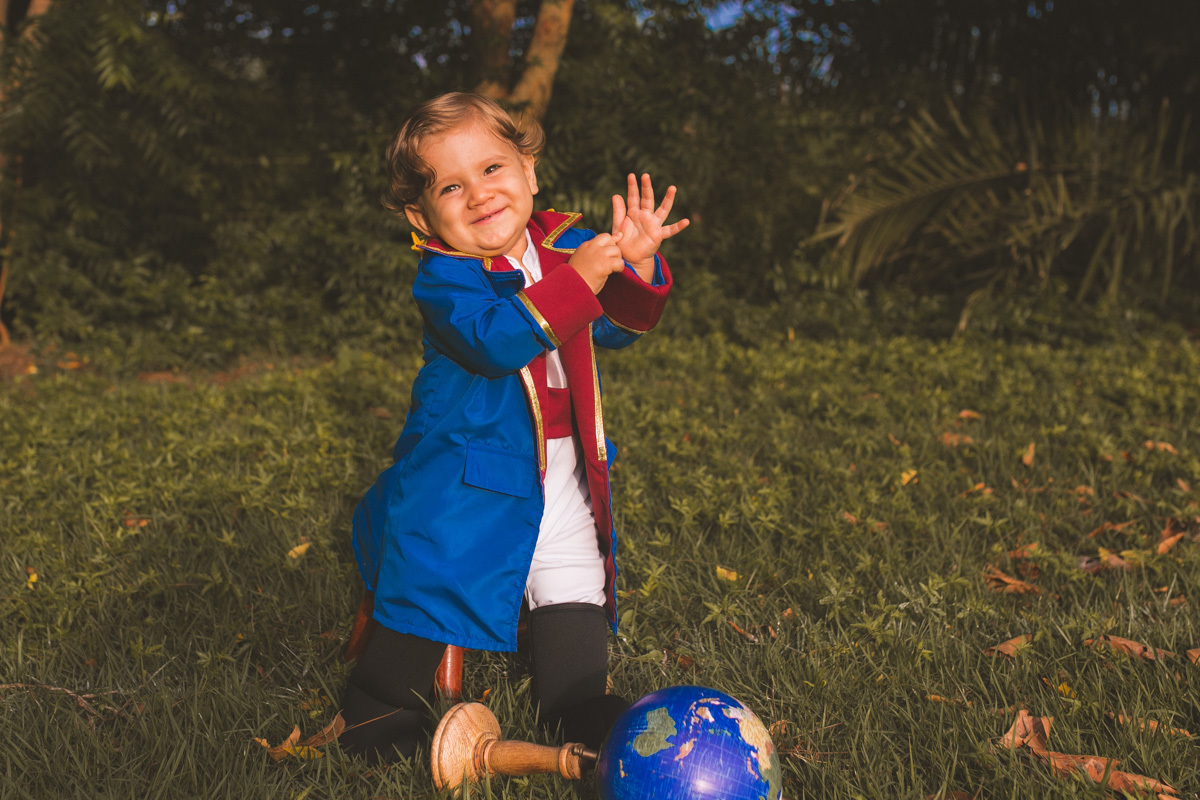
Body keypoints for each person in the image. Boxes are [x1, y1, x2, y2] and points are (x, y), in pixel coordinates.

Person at [339, 92, 689, 764]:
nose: (478, 194)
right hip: (465, 482)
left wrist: (636, 263)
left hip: (563, 477)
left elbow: (615, 329)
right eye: (451, 185)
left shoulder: (568, 246)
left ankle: (582, 709)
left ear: (529, 171)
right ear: (422, 215)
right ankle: (375, 716)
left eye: (493, 168)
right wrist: (577, 283)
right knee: (433, 580)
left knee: (571, 588)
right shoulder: (445, 277)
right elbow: (494, 341)